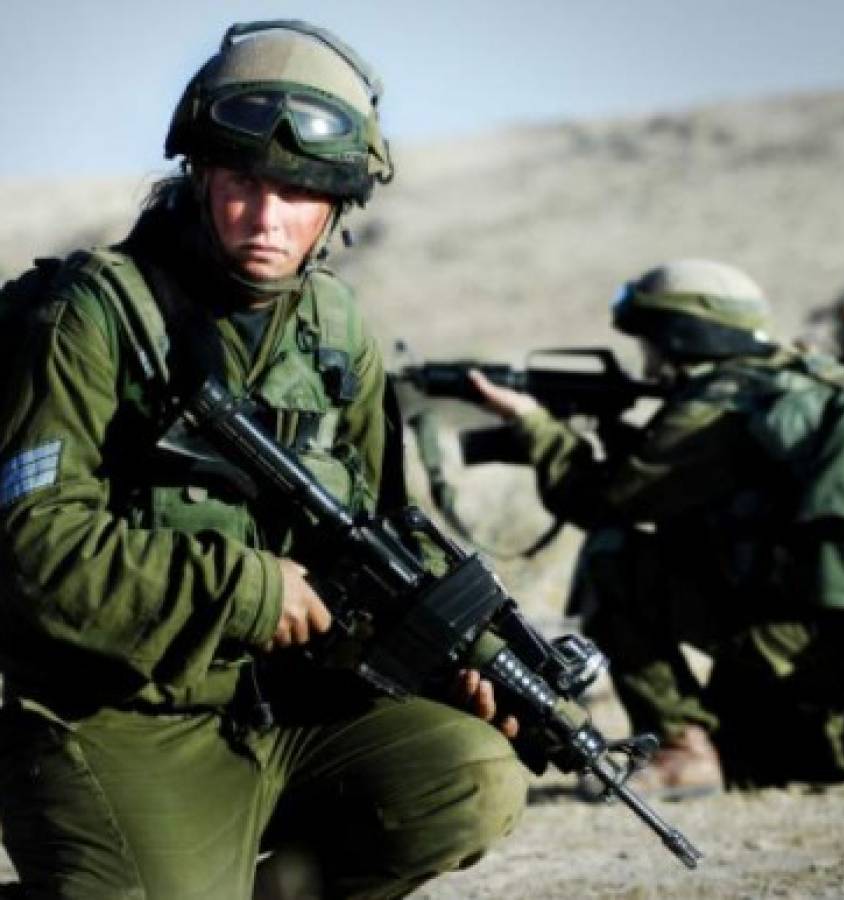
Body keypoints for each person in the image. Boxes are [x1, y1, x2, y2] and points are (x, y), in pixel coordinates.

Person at [0, 21, 526, 898]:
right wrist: (249, 592)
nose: (266, 218)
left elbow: (389, 534)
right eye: (244, 182)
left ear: (337, 207)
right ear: (202, 174)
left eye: (298, 191)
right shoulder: (92, 318)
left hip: (291, 713)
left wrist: (480, 656)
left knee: (469, 777)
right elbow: (31, 551)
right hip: (114, 721)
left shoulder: (337, 331)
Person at [467, 259, 844, 797]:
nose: (648, 359)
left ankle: (682, 744)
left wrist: (534, 425)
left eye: (652, 341)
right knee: (755, 761)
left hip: (800, 633)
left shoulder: (714, 407)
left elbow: (601, 500)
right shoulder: (811, 377)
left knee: (613, 553)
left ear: (682, 335)